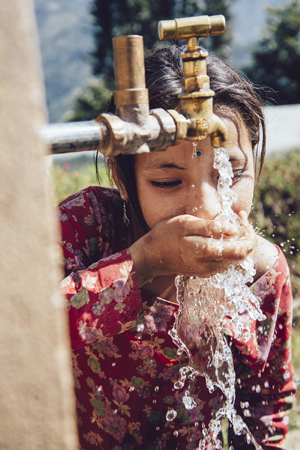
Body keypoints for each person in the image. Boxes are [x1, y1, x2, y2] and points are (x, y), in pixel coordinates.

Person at [59, 46, 296, 450]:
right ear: (124, 175)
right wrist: (144, 261)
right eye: (168, 182)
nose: (207, 206)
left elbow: (265, 400)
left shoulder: (260, 271)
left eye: (231, 173)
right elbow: (30, 328)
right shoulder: (91, 226)